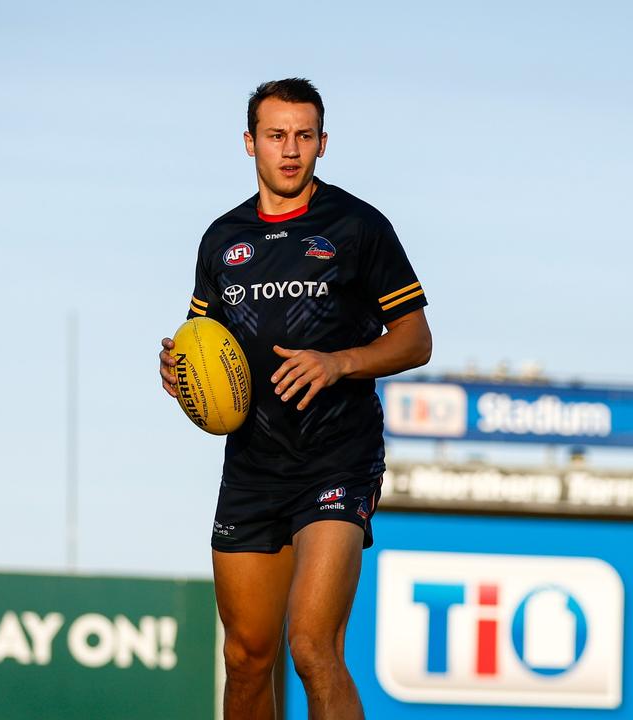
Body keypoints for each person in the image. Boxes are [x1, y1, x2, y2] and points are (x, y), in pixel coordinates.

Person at [157, 78, 431, 719]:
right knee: (246, 660)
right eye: (276, 136)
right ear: (248, 143)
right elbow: (203, 344)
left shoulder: (358, 226)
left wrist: (340, 362)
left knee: (311, 645)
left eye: (303, 136)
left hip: (337, 457)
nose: (290, 150)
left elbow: (416, 339)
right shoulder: (221, 240)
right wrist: (178, 374)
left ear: (323, 143)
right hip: (252, 465)